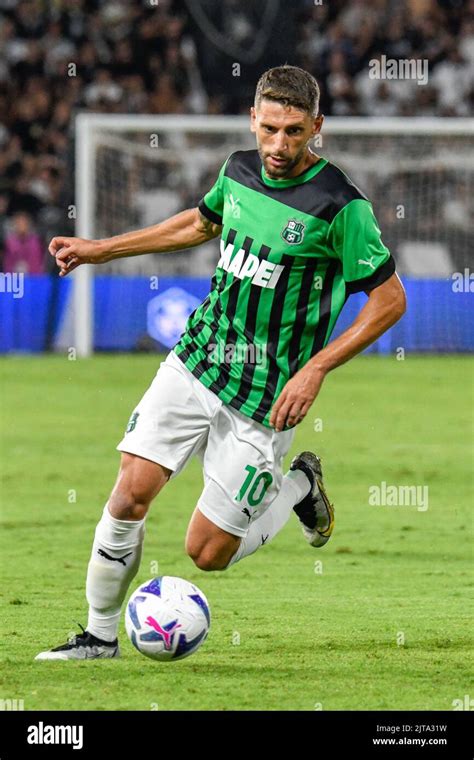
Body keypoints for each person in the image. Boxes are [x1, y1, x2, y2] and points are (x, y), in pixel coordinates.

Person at [36, 65, 406, 661]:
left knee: (207, 554)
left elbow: (390, 301)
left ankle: (299, 487)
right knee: (129, 492)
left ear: (317, 127)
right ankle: (99, 636)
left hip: (268, 394)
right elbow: (199, 222)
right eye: (268, 129)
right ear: (251, 120)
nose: (278, 146)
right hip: (197, 359)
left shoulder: (341, 205)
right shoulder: (236, 169)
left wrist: (315, 369)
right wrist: (102, 249)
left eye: (292, 132)